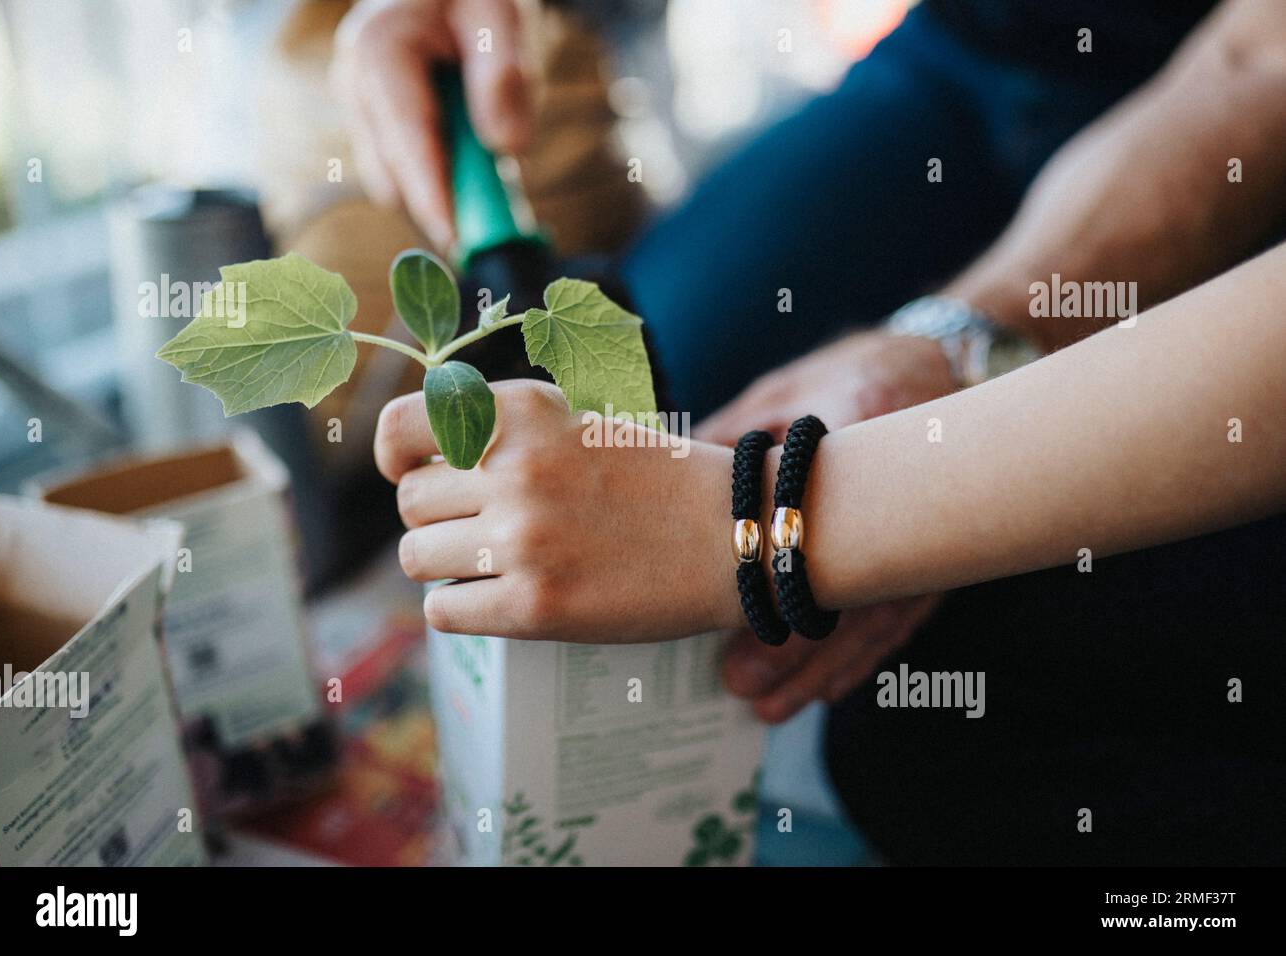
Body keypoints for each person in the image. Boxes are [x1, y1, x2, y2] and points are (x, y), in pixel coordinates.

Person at [344, 0, 1286, 862]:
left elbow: (1261, 57)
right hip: (987, 44)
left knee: (929, 729)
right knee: (667, 386)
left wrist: (765, 524)